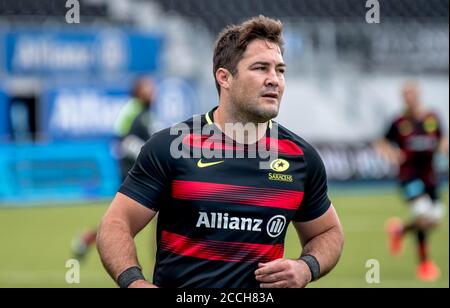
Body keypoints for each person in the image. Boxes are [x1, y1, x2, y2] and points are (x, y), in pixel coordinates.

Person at [97, 16, 344, 288]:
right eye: (261, 68)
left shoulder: (301, 158)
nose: (274, 80)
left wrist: (306, 267)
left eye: (280, 70)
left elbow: (328, 232)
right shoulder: (171, 147)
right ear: (224, 78)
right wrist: (133, 282)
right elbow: (115, 224)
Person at [71, 77, 155, 261]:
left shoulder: (146, 111)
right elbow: (121, 140)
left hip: (147, 170)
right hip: (133, 171)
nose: (152, 90)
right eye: (148, 86)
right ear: (138, 90)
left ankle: (88, 238)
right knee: (122, 221)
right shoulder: (132, 109)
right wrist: (148, 155)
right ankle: (89, 238)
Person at [376, 81, 448, 282]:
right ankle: (425, 265)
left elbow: (442, 138)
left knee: (435, 220)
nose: (409, 98)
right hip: (409, 176)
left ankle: (400, 230)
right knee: (424, 216)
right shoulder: (399, 122)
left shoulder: (432, 118)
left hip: (430, 176)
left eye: (412, 94)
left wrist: (443, 148)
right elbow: (381, 141)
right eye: (405, 95)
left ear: (418, 95)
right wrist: (391, 154)